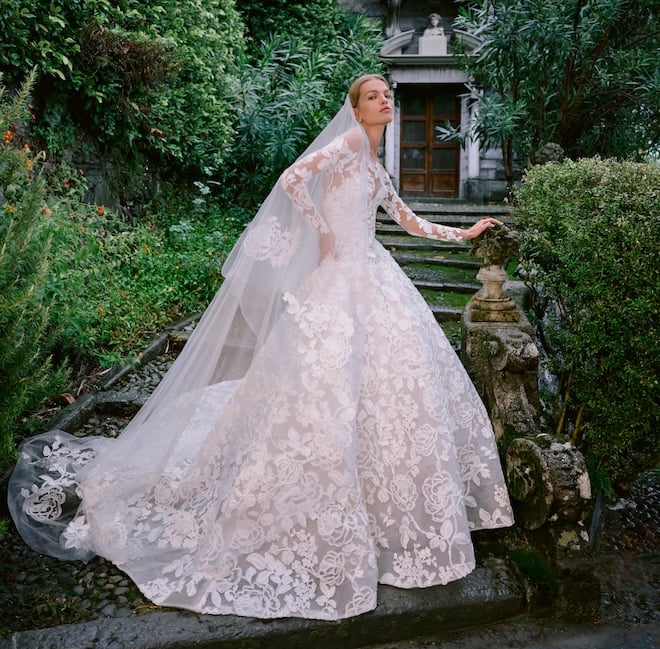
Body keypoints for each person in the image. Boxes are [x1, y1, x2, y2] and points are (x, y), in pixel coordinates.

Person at [8, 74, 513, 621]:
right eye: (374, 96)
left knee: (393, 391)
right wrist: (321, 231)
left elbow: (406, 220)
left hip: (374, 277)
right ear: (355, 109)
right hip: (339, 277)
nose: (385, 101)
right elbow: (293, 178)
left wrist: (461, 235)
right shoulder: (345, 145)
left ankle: (390, 510)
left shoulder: (373, 163)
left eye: (387, 95)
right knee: (319, 391)